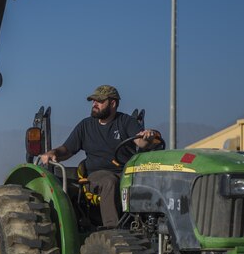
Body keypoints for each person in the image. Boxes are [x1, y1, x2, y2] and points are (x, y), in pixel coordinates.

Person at [39, 85, 161, 229]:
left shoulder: (126, 122)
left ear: (113, 103)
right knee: (110, 181)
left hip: (126, 174)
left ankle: (153, 227)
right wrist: (54, 152)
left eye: (99, 101)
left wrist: (148, 136)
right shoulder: (85, 126)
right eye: (93, 101)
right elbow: (67, 149)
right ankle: (112, 230)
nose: (94, 104)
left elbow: (141, 142)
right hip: (97, 177)